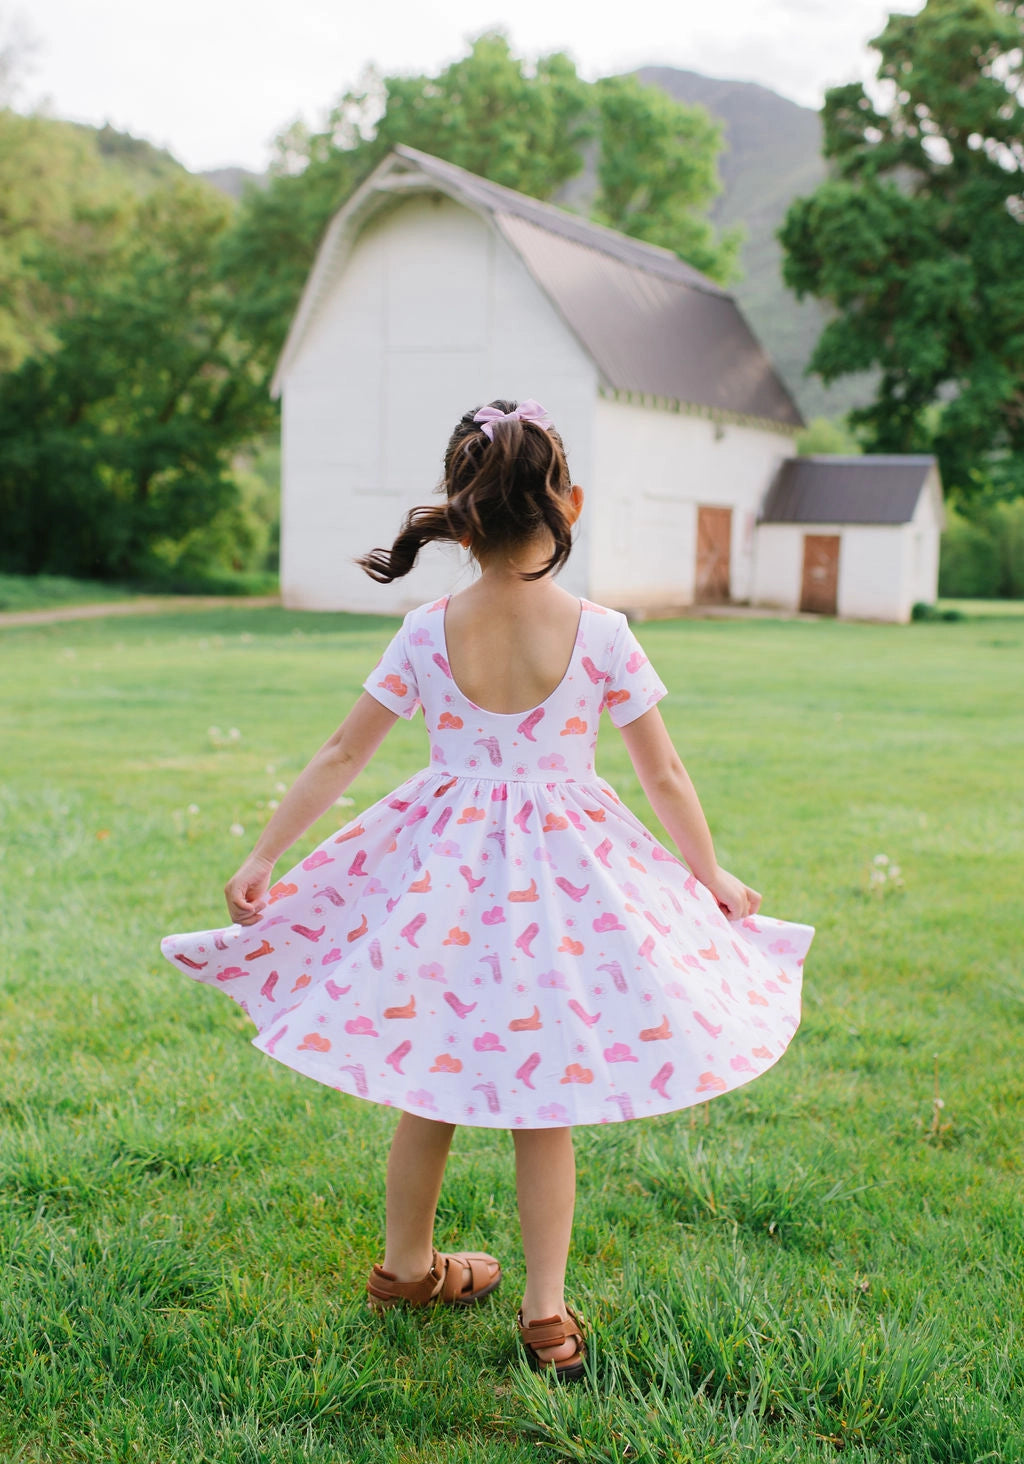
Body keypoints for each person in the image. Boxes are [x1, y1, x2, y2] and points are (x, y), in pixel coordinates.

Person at [161, 397, 813, 1382]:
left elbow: (343, 754)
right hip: (561, 895)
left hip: (445, 887)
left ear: (461, 518)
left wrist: (265, 856)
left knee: (429, 1079)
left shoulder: (429, 629)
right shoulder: (601, 633)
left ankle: (405, 1270)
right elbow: (664, 773)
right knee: (542, 1103)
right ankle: (545, 1317)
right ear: (570, 504)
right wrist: (708, 873)